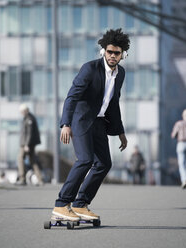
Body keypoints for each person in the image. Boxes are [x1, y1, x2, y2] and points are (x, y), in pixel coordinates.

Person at [51, 29, 129, 221]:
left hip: (99, 123)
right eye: (109, 51)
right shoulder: (90, 68)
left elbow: (113, 102)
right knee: (85, 160)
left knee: (104, 163)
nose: (112, 55)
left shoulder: (120, 74)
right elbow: (72, 96)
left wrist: (120, 132)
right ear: (103, 51)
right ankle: (62, 204)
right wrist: (66, 124)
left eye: (116, 53)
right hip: (81, 120)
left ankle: (80, 204)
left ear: (123, 54)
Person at [16, 104, 43, 186]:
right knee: (33, 161)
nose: (21, 113)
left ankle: (22, 178)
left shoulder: (29, 119)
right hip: (27, 143)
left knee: (20, 158)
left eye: (22, 111)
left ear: (25, 111)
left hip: (27, 144)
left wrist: (26, 145)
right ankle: (40, 179)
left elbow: (29, 133)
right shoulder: (27, 118)